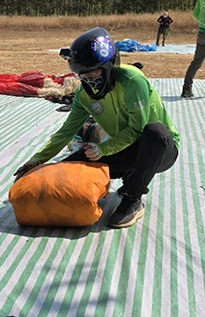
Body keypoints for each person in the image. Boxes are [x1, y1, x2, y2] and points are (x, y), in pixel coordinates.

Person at [13, 27, 180, 228]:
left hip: (159, 150)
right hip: (122, 148)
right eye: (83, 75)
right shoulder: (84, 95)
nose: (89, 80)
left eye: (93, 72)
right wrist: (37, 160)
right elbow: (66, 132)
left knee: (155, 132)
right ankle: (124, 177)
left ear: (108, 66)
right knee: (67, 169)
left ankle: (132, 197)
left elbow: (138, 130)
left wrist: (103, 149)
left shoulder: (132, 81)